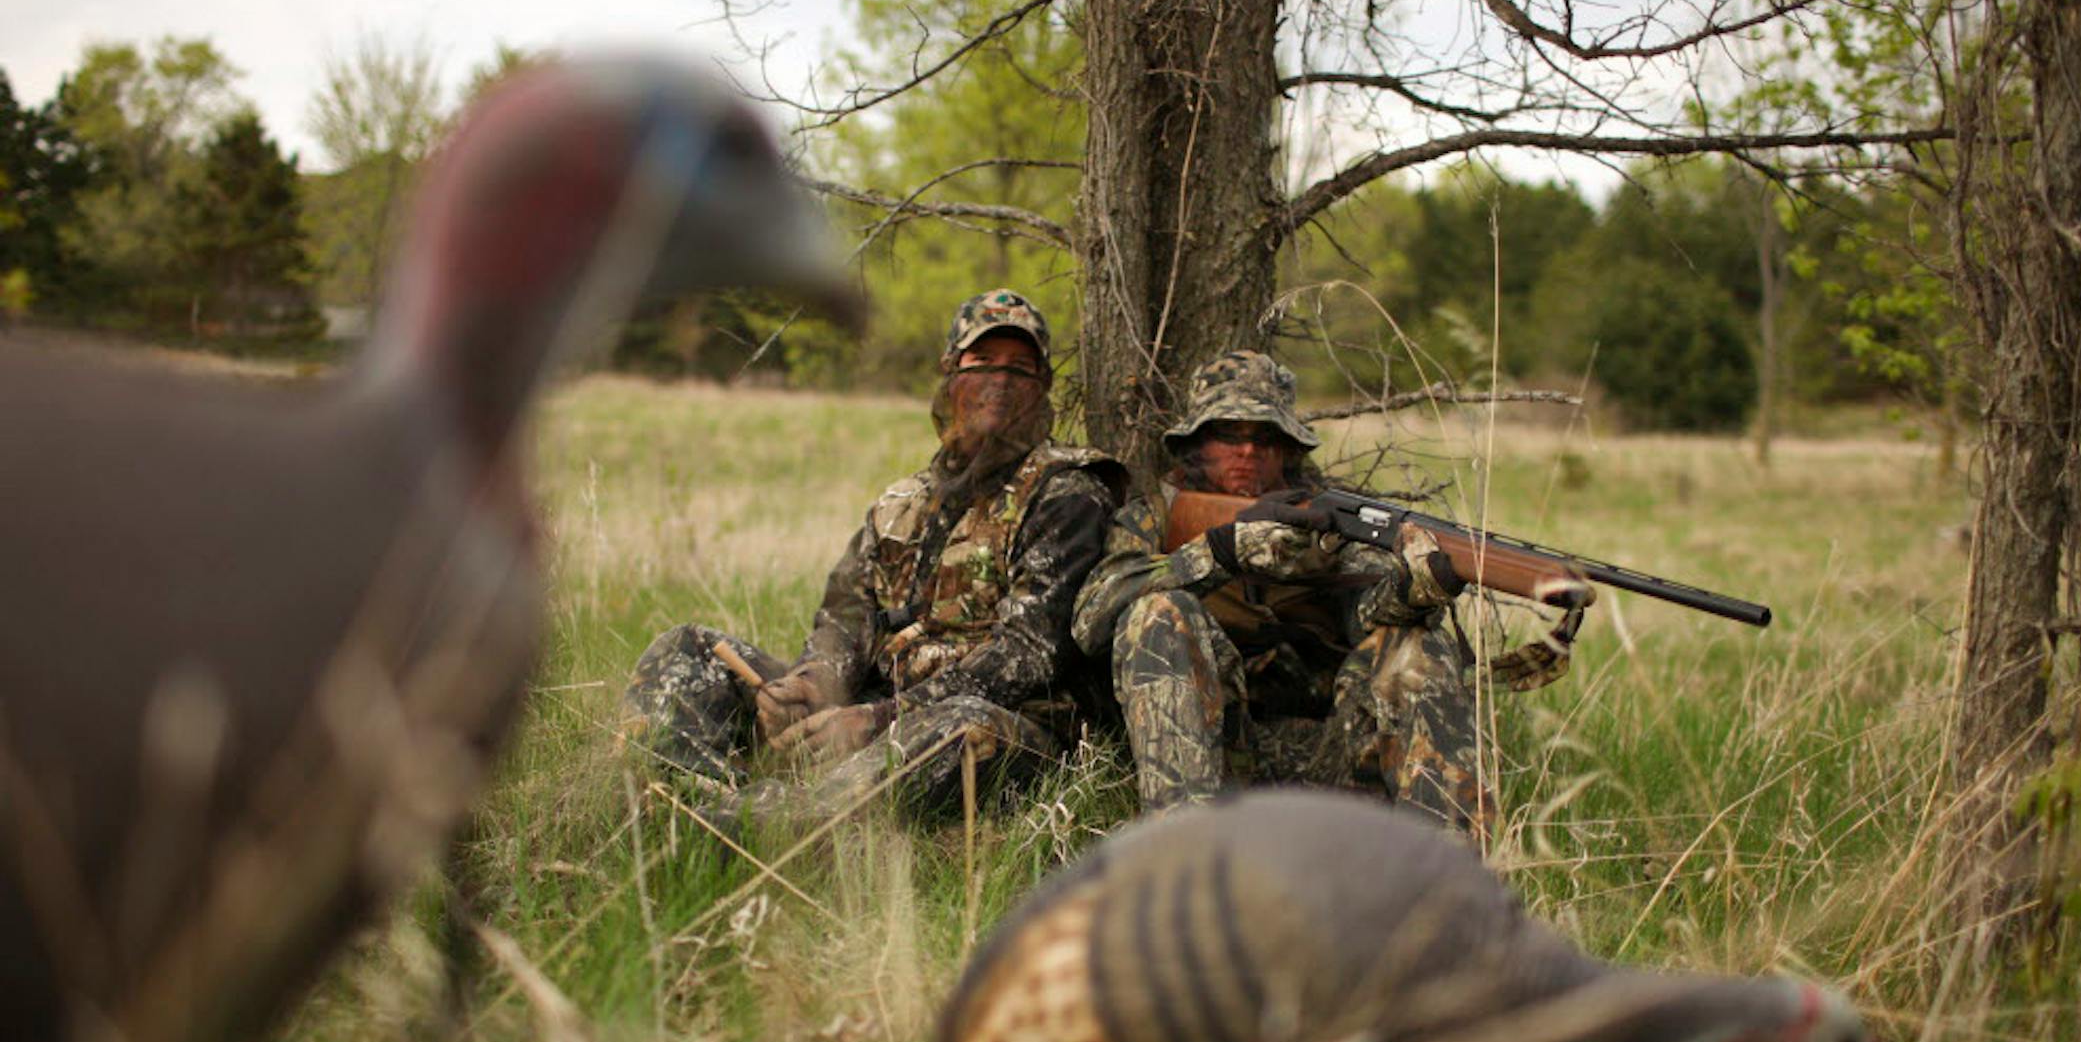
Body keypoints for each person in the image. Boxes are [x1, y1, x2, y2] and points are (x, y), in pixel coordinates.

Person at [624, 290, 1125, 830]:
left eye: (1020, 368)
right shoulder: (901, 503)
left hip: (1001, 728)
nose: (1000, 381)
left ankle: (776, 827)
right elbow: (845, 615)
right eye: (982, 363)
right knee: (690, 649)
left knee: (960, 724)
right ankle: (686, 796)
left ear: (1043, 386)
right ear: (951, 375)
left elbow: (1027, 657)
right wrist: (813, 686)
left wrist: (879, 720)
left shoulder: (1069, 493)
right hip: (872, 709)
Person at [1071, 350, 1572, 843]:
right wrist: (1218, 552)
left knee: (1416, 644)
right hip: (1211, 759)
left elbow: (1371, 615)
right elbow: (1093, 617)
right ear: (1195, 446)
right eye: (1229, 435)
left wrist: (1415, 589)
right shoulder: (1155, 518)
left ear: (1289, 449)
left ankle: (1452, 873)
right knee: (1158, 613)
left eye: (1266, 438)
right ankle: (1183, 859)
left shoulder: (1332, 519)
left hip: (1328, 753)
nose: (1248, 452)